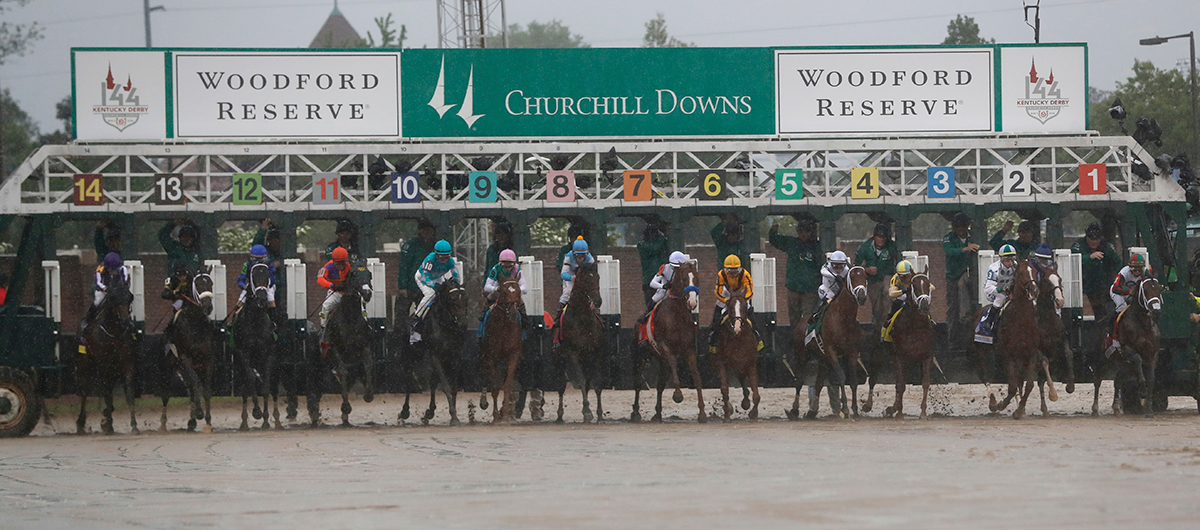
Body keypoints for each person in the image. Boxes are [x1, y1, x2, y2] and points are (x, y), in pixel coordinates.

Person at [768, 219, 824, 330]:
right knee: (794, 320)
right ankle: (796, 340)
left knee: (809, 317)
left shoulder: (817, 247)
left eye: (806, 231)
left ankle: (808, 339)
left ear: (810, 232)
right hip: (793, 288)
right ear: (797, 232)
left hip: (810, 290)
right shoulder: (791, 243)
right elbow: (774, 240)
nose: (803, 234)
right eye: (801, 231)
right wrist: (773, 230)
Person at [708, 255, 763, 353]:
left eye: (735, 271)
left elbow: (750, 291)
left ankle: (757, 336)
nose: (733, 274)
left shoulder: (745, 274)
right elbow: (718, 292)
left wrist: (742, 299)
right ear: (726, 270)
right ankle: (713, 337)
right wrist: (726, 301)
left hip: (741, 293)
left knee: (750, 313)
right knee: (717, 314)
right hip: (727, 293)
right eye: (730, 271)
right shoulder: (721, 274)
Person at [410, 240, 461, 343]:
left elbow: (456, 277)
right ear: (436, 255)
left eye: (447, 257)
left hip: (438, 278)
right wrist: (433, 285)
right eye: (442, 257)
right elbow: (424, 277)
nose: (444, 260)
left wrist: (455, 284)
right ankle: (417, 316)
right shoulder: (430, 260)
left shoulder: (451, 262)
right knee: (431, 294)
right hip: (422, 278)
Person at [855, 223, 899, 339]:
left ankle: (886, 326)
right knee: (877, 308)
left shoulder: (891, 246)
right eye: (879, 237)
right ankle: (877, 330)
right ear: (874, 237)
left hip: (887, 276)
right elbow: (856, 268)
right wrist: (867, 270)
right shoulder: (864, 248)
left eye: (884, 237)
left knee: (888, 294)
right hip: (872, 281)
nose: (882, 240)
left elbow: (898, 260)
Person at [1071, 222, 1121, 321]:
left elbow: (1117, 262)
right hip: (1084, 284)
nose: (1093, 242)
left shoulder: (1106, 246)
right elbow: (1073, 259)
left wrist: (1120, 279)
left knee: (1105, 313)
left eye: (1096, 240)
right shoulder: (1078, 245)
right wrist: (1089, 257)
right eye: (1091, 239)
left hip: (1103, 284)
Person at [943, 213, 979, 347]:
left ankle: (973, 336)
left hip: (971, 276)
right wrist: (966, 249)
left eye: (962, 226)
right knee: (952, 309)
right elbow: (949, 251)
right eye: (956, 226)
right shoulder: (948, 238)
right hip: (953, 277)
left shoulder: (975, 236)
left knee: (975, 304)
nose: (959, 229)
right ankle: (952, 341)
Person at [1106, 253, 1152, 357]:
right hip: (1119, 293)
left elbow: (1151, 283)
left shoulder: (1146, 272)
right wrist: (1128, 291)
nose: (1136, 272)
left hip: (1134, 293)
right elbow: (1115, 288)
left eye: (1139, 270)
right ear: (1130, 268)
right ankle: (1113, 335)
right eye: (1134, 270)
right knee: (1121, 309)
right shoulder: (1124, 272)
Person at [974, 244, 1018, 345]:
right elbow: (988, 288)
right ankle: (989, 321)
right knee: (1001, 297)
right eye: (1008, 260)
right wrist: (1003, 289)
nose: (1011, 263)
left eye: (1012, 259)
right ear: (1001, 259)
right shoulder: (994, 269)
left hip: (1010, 290)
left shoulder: (1016, 266)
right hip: (994, 292)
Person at [805, 250, 851, 344]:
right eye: (835, 266)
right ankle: (816, 315)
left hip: (840, 293)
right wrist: (835, 276)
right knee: (829, 302)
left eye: (840, 266)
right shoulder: (826, 268)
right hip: (827, 290)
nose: (838, 268)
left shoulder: (847, 271)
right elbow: (823, 271)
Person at [396, 218, 438, 322]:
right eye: (424, 230)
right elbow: (404, 266)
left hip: (429, 286)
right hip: (411, 286)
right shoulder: (410, 245)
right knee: (401, 312)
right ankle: (400, 334)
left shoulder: (436, 246)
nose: (427, 233)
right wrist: (402, 286)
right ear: (419, 231)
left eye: (429, 230)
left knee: (431, 313)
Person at [316, 246, 354, 356]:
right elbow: (320, 279)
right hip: (335, 293)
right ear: (333, 261)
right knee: (326, 306)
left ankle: (365, 323)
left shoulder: (350, 266)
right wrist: (332, 285)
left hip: (349, 293)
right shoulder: (328, 266)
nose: (341, 266)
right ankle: (323, 328)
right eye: (338, 263)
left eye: (343, 263)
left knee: (361, 307)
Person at [881, 260, 928, 344]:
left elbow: (930, 287)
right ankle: (885, 331)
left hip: (914, 297)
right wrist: (904, 291)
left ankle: (930, 321)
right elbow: (891, 294)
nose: (903, 278)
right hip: (903, 295)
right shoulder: (895, 278)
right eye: (901, 276)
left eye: (906, 275)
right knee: (894, 307)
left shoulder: (915, 277)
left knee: (923, 306)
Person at [82, 252, 130, 333]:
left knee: (126, 302)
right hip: (103, 290)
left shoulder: (123, 269)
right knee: (98, 301)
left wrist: (117, 289)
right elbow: (98, 281)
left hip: (119, 290)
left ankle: (129, 321)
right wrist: (105, 288)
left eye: (114, 269)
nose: (112, 271)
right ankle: (88, 319)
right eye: (111, 269)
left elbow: (125, 281)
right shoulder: (100, 268)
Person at [480, 249, 528, 327]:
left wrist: (516, 291)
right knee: (490, 297)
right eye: (505, 266)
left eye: (510, 266)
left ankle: (525, 323)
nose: (508, 269)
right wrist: (496, 289)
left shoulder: (517, 269)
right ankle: (483, 319)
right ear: (501, 264)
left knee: (521, 303)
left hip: (512, 293)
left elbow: (525, 288)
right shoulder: (495, 269)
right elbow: (487, 287)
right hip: (499, 291)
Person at [252, 219, 287, 320]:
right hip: (263, 285)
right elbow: (256, 246)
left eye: (276, 241)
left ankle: (274, 320)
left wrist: (281, 263)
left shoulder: (284, 253)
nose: (274, 243)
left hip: (281, 287)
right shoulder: (265, 252)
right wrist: (263, 229)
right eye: (272, 241)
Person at [232, 244, 277, 315]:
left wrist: (267, 286)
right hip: (251, 286)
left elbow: (273, 277)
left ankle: (274, 321)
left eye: (261, 259)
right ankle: (235, 320)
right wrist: (245, 287)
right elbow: (241, 279)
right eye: (256, 259)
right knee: (240, 301)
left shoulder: (269, 264)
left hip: (267, 286)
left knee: (271, 300)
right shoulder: (246, 264)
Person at [637, 223, 671, 308]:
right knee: (650, 307)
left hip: (659, 281)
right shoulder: (642, 245)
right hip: (649, 281)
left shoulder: (643, 244)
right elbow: (655, 248)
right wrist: (663, 237)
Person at [160, 261, 193, 336]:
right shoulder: (171, 280)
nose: (182, 277)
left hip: (192, 302)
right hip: (180, 305)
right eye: (179, 275)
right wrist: (174, 293)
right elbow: (164, 294)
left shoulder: (191, 278)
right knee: (174, 320)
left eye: (183, 274)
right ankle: (169, 333)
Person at [482, 220, 515, 288]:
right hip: (493, 279)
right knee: (490, 296)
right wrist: (484, 284)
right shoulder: (491, 249)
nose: (501, 237)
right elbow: (488, 267)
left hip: (510, 279)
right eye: (498, 234)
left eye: (503, 234)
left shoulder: (512, 248)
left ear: (507, 236)